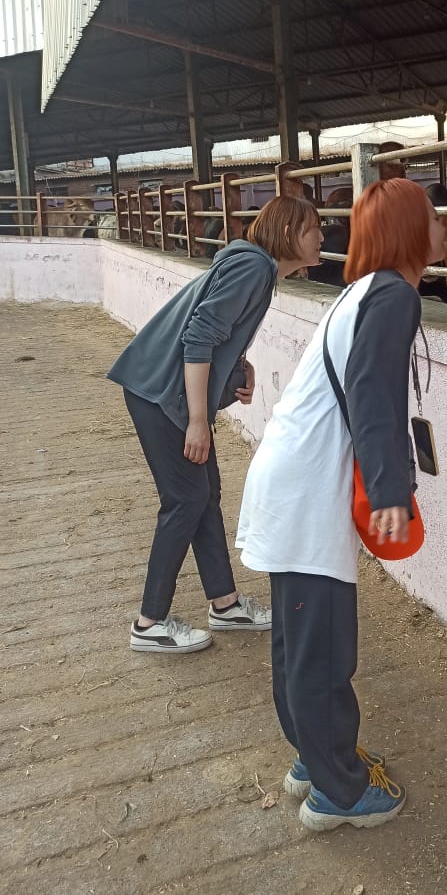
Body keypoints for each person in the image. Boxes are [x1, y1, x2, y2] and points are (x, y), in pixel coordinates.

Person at [236, 178, 445, 831]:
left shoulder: (365, 292)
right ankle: (341, 793)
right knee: (321, 648)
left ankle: (314, 759)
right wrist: (390, 488)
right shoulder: (390, 295)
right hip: (304, 491)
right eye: (433, 216)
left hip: (293, 480)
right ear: (412, 231)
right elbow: (371, 388)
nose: (443, 226)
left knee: (301, 642)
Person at [108, 195, 324, 654]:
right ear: (288, 232)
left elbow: (220, 330)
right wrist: (199, 422)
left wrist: (240, 365)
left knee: (205, 494)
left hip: (163, 391)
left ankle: (225, 604)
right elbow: (199, 336)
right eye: (313, 229)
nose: (322, 237)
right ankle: (149, 623)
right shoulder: (252, 268)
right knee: (186, 498)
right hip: (160, 395)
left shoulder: (257, 271)